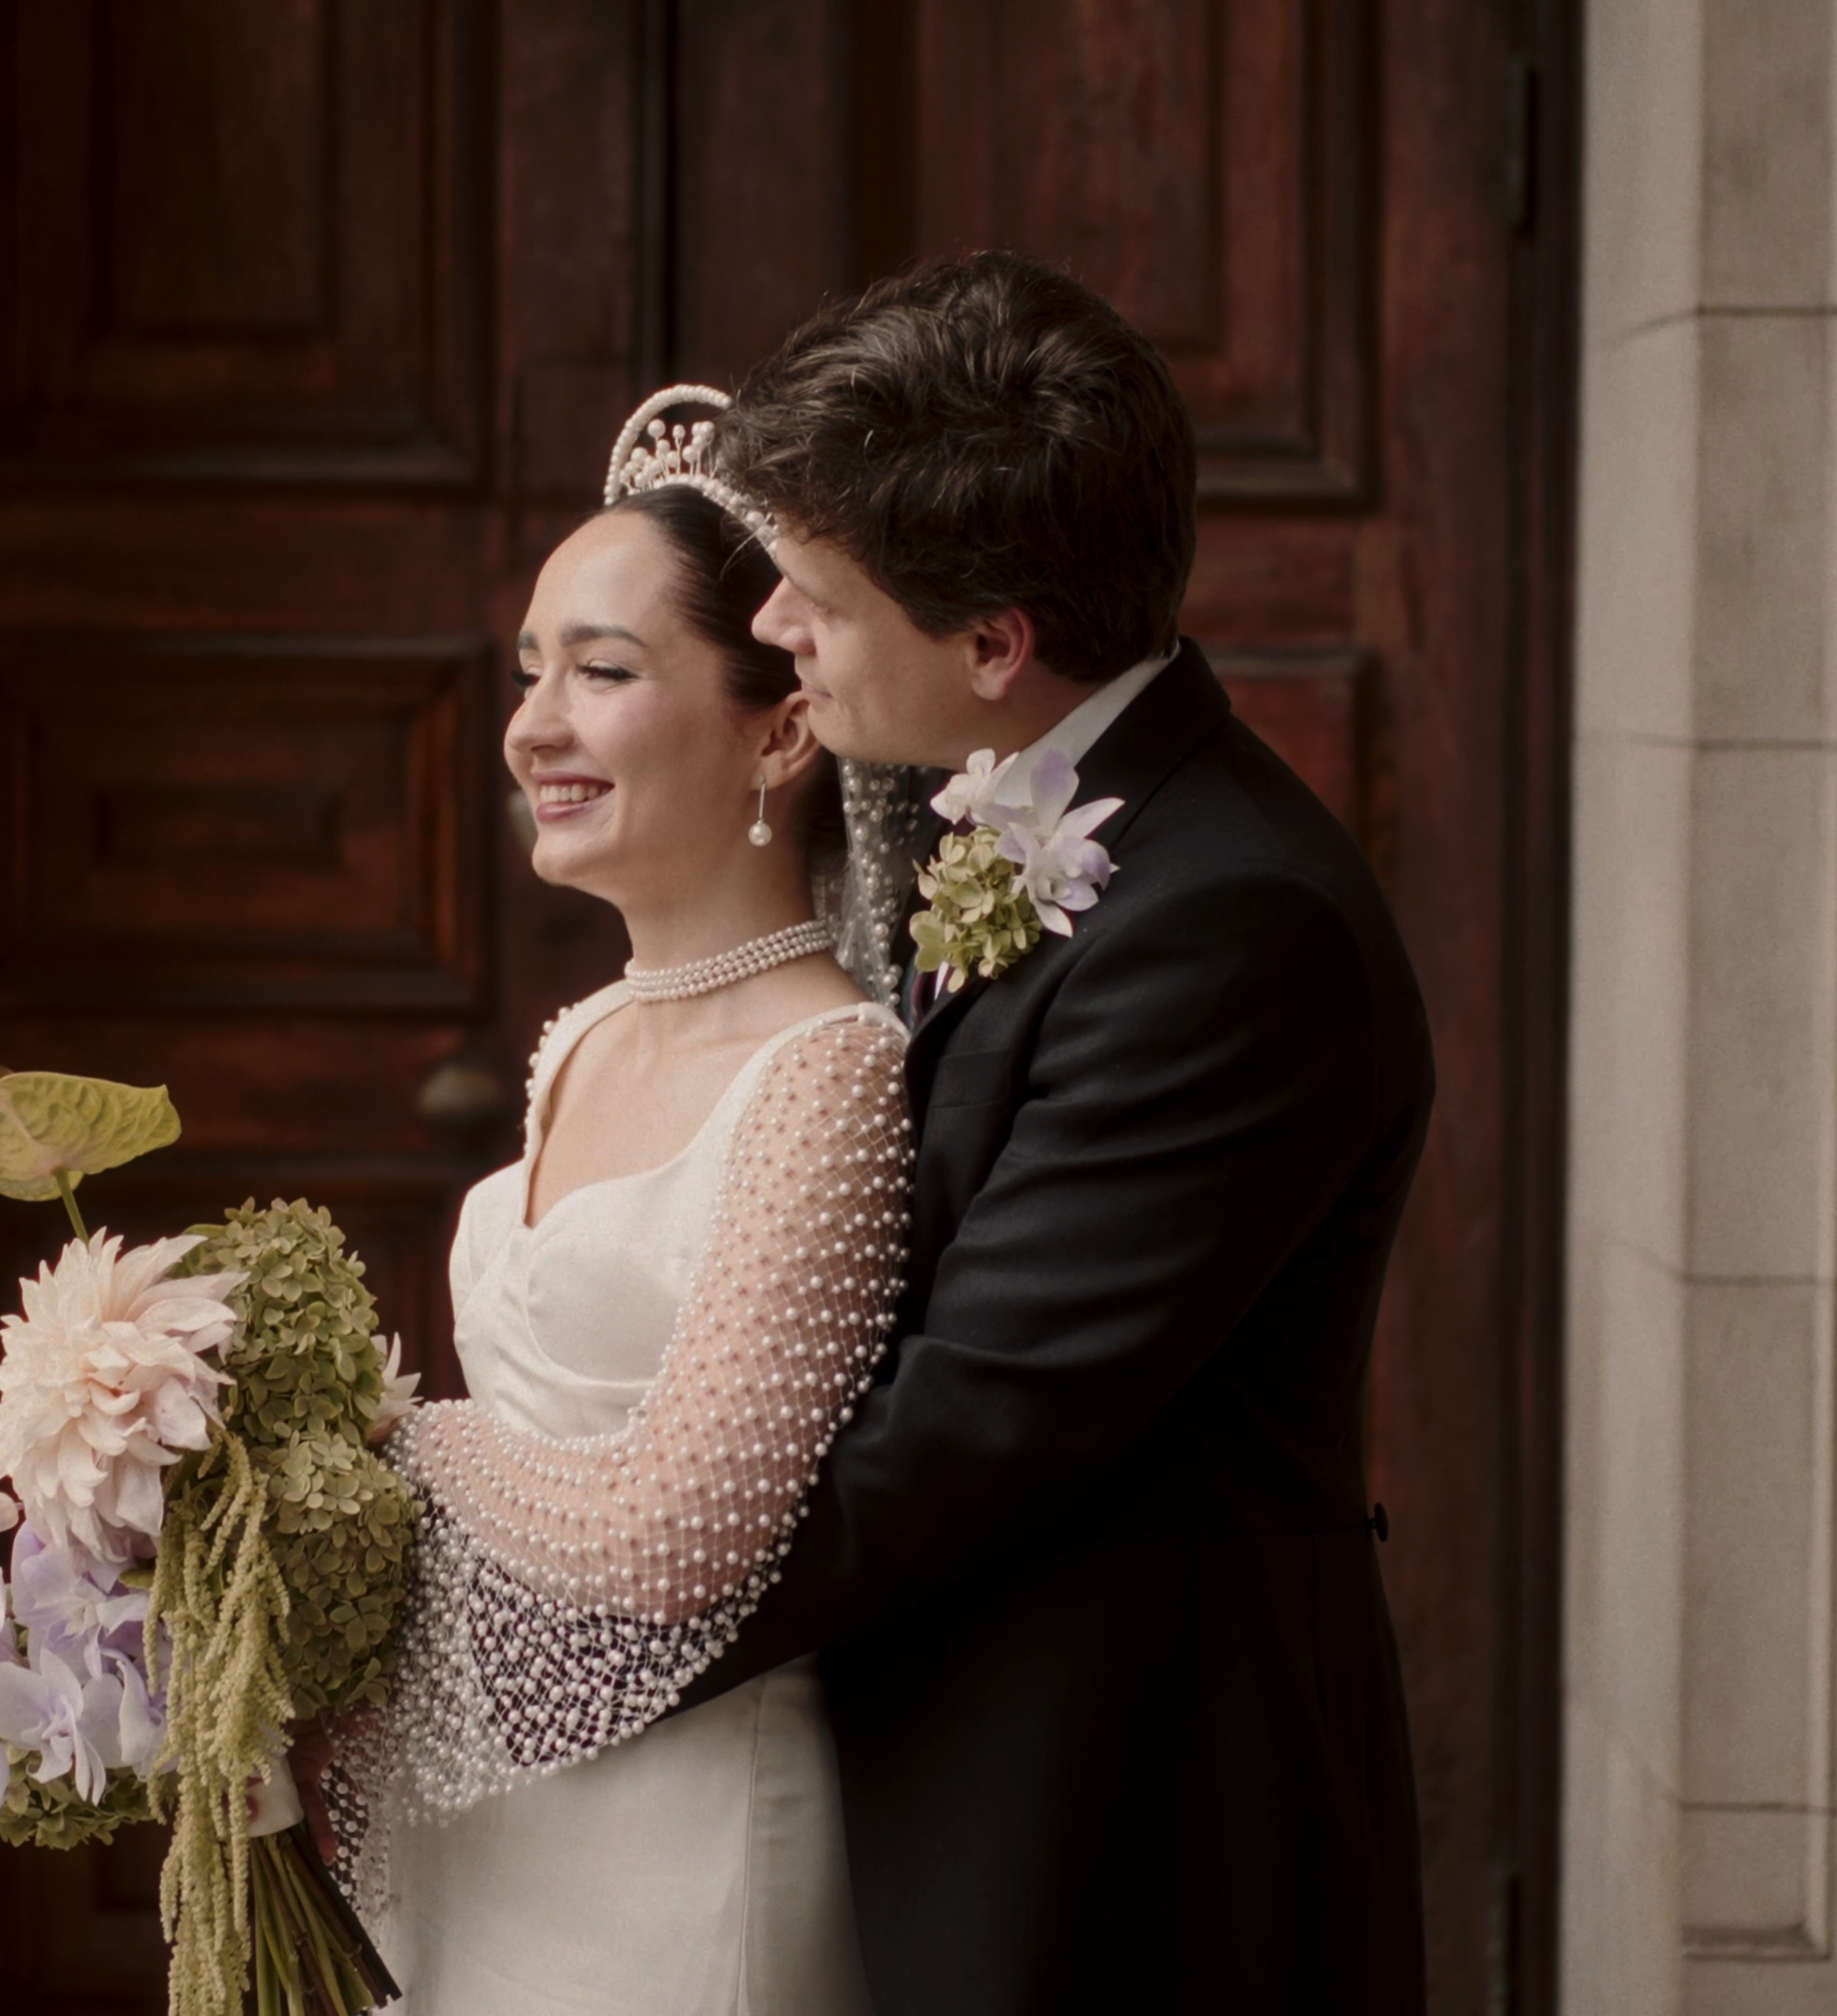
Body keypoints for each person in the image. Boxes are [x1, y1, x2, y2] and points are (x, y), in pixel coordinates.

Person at [667, 250, 1437, 2012]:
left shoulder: (1240, 928)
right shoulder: (1049, 814)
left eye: (813, 598)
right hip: (967, 1773)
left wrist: (520, 1651)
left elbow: (965, 1424)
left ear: (994, 643)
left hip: (1128, 1834)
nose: (772, 631)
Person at [339, 414, 909, 2015]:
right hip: (497, 1814)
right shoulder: (580, 1033)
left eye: (597, 671)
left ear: (780, 732)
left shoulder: (827, 1074)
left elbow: (678, 1536)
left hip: (684, 1848)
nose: (530, 727)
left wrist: (383, 1450)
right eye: (530, 670)